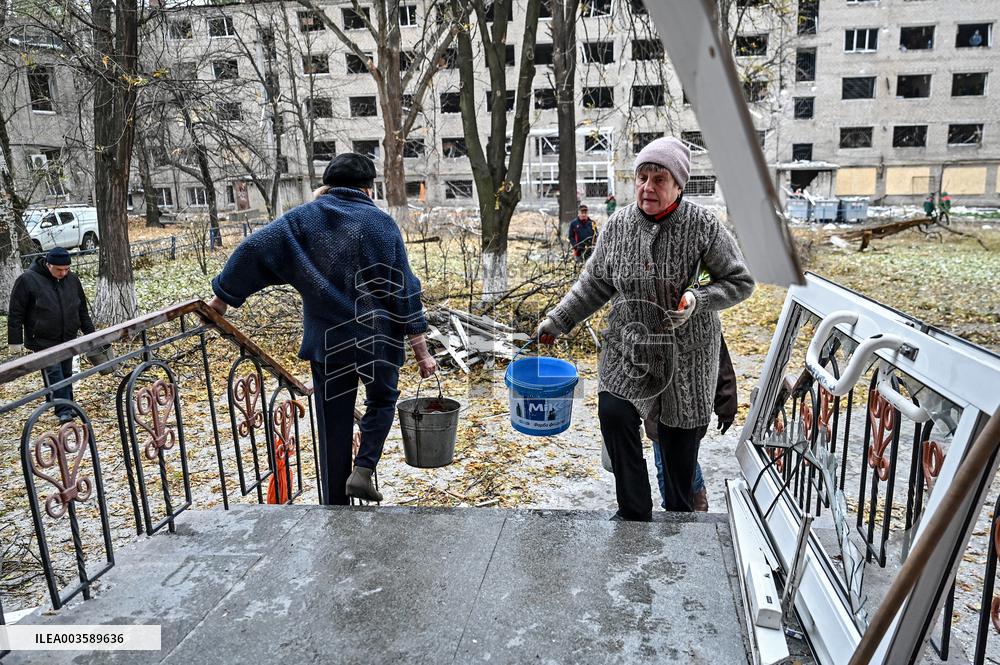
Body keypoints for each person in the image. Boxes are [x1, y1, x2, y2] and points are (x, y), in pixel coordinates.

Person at [536, 136, 754, 520]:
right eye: (642, 177)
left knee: (677, 459)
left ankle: (679, 521)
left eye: (659, 179)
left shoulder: (703, 225)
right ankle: (634, 511)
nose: (647, 187)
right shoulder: (619, 225)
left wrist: (697, 300)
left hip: (685, 359)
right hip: (629, 350)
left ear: (679, 186)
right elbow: (595, 283)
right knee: (614, 412)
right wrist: (559, 320)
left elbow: (739, 281)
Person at [208, 153, 437, 505]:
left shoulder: (301, 221)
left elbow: (253, 249)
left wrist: (223, 298)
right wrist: (422, 352)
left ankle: (334, 503)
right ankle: (363, 469)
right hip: (378, 340)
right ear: (368, 187)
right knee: (383, 399)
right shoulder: (382, 225)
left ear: (327, 185)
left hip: (330, 345)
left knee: (333, 422)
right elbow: (405, 291)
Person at [647, 333, 737, 512]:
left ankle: (694, 501)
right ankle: (680, 508)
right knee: (664, 467)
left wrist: (726, 404)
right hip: (660, 411)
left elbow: (719, 359)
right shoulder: (650, 318)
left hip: (692, 407)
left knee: (682, 461)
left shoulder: (700, 316)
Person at [7, 247, 95, 423]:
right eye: (59, 269)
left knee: (66, 372)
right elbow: (16, 312)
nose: (63, 273)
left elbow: (81, 309)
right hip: (42, 339)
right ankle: (63, 410)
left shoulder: (72, 279)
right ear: (48, 265)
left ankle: (64, 402)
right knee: (54, 372)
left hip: (68, 336)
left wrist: (91, 335)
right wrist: (15, 341)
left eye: (66, 269)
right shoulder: (27, 280)